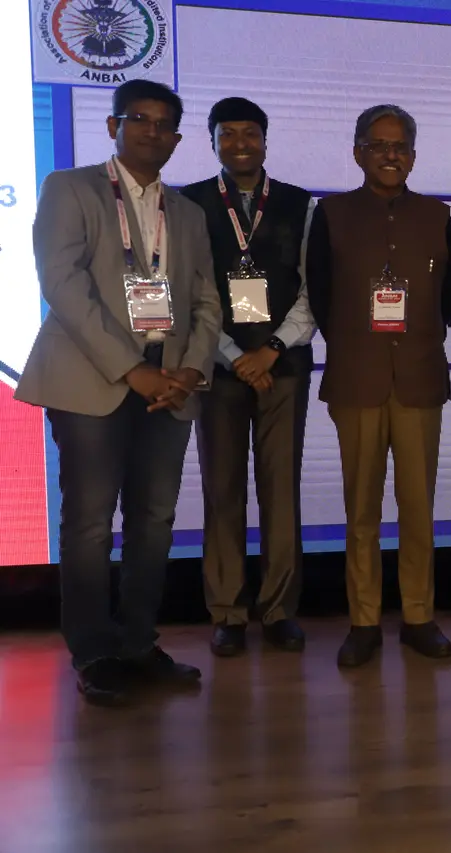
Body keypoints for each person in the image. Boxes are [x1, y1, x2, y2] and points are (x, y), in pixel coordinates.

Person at [16, 80, 221, 706]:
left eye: (164, 124)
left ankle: (137, 643)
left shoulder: (187, 213)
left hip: (170, 386)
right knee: (89, 524)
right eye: (139, 119)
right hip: (92, 381)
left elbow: (207, 300)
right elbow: (63, 284)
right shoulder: (71, 188)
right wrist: (133, 368)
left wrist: (190, 370)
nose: (151, 131)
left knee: (154, 521)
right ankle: (94, 652)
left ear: (177, 138)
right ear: (113, 126)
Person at [307, 105, 451, 667]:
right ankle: (364, 621)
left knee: (418, 509)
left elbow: (443, 299)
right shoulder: (332, 213)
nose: (390, 155)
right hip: (357, 379)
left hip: (419, 378)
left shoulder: (437, 215)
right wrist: (356, 344)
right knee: (361, 511)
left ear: (413, 156)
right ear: (358, 153)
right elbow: (320, 294)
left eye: (400, 146)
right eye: (378, 145)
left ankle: (419, 616)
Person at [181, 97, 316, 657]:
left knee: (281, 491)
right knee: (223, 490)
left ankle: (279, 610)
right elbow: (190, 291)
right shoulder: (188, 204)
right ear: (213, 141)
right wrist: (236, 353)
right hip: (219, 366)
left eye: (250, 133)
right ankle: (228, 612)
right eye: (228, 133)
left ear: (265, 139)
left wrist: (272, 348)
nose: (240, 143)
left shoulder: (300, 203)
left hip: (283, 366)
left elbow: (313, 287)